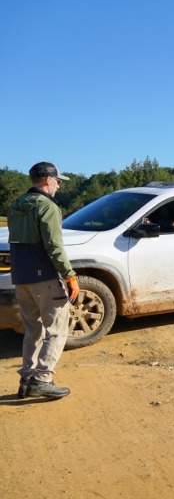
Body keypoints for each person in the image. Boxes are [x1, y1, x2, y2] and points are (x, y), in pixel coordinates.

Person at [8, 162, 79, 399]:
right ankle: (43, 379)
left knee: (33, 330)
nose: (59, 186)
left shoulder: (16, 205)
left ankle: (27, 378)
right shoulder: (47, 207)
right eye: (58, 181)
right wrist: (70, 275)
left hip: (21, 277)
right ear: (48, 180)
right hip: (45, 277)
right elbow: (54, 246)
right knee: (57, 330)